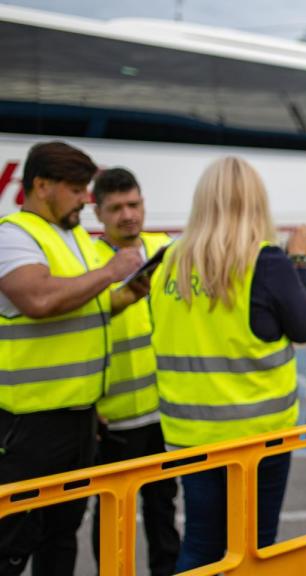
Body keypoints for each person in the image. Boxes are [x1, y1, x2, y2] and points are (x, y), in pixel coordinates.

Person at [149, 157, 306, 571]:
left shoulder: (168, 260)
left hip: (191, 433)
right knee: (254, 548)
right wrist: (300, 261)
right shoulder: (267, 261)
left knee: (201, 542)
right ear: (256, 202)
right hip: (257, 437)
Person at [0, 142, 148, 575]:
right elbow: (39, 299)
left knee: (61, 538)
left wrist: (121, 298)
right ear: (41, 186)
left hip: (79, 418)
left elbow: (82, 309)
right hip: (29, 425)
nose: (87, 197)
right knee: (12, 543)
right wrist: (108, 273)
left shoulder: (73, 234)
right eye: (77, 188)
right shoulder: (13, 234)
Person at [89, 168, 179, 575]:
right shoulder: (88, 263)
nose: (128, 214)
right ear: (98, 213)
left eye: (134, 204)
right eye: (117, 208)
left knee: (164, 513)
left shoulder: (167, 250)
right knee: (112, 516)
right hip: (113, 420)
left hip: (164, 416)